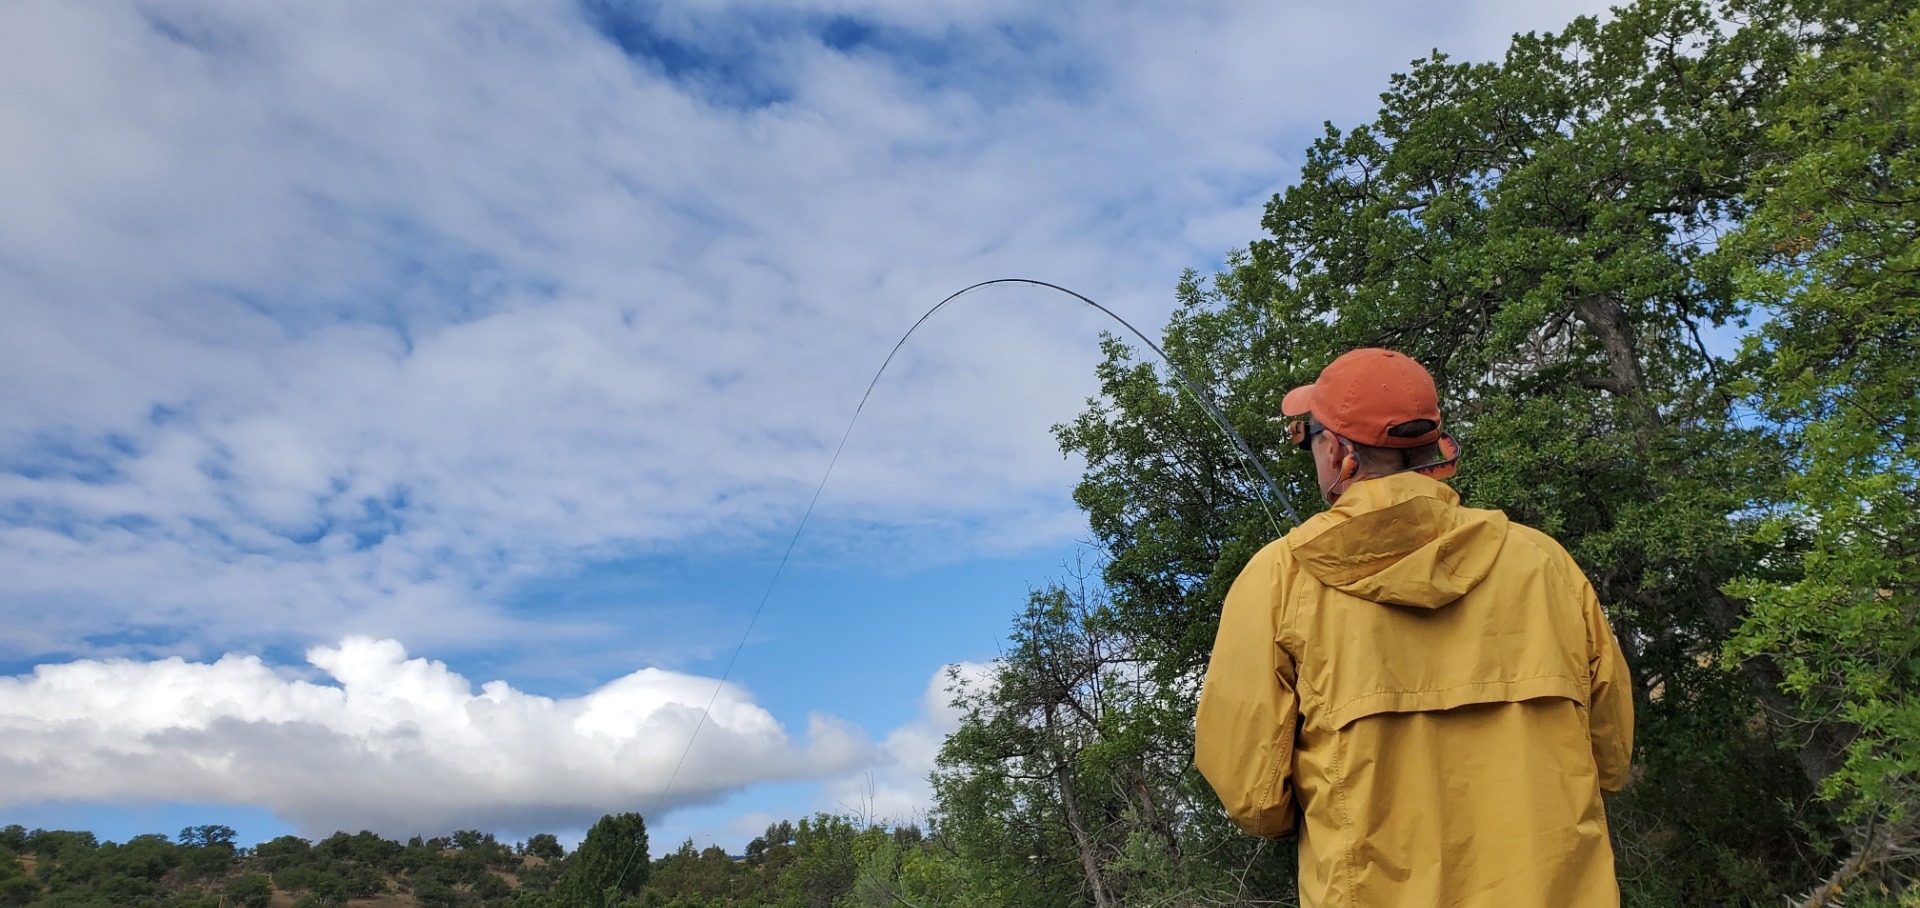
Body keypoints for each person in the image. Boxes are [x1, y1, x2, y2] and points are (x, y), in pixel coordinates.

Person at [1193, 348, 1635, 907]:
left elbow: (1254, 797)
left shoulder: (1278, 580)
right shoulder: (1545, 564)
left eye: (1307, 436)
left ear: (1337, 449)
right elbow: (1612, 756)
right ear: (1431, 446)